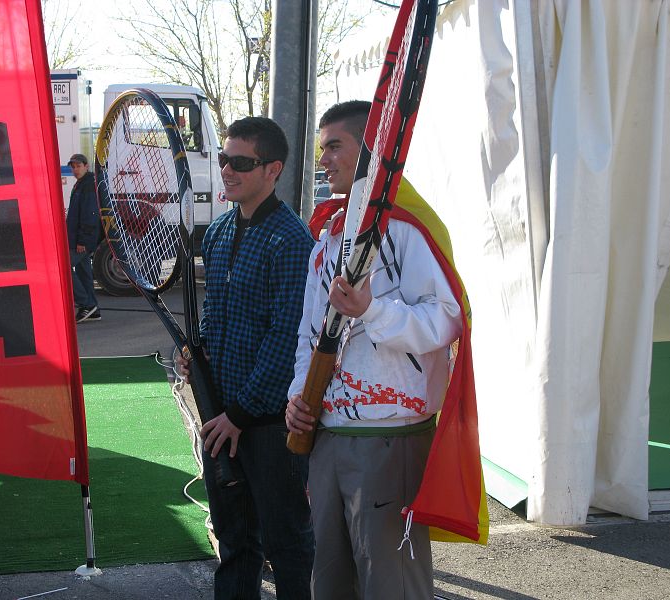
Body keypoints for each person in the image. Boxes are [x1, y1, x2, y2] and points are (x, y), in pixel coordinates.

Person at [285, 100, 463, 599]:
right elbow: (309, 332)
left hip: (390, 437)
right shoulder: (328, 237)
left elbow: (446, 319)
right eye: (321, 149)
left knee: (391, 583)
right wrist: (300, 397)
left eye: (334, 147)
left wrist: (371, 311)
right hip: (326, 436)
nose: (324, 160)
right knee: (331, 581)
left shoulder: (406, 230)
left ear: (371, 149)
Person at [177, 117, 315, 599]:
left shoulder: (294, 240)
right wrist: (197, 355)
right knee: (235, 543)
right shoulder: (216, 234)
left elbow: (287, 339)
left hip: (270, 426)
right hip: (223, 418)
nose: (227, 170)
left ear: (272, 169)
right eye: (224, 160)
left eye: (240, 162)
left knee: (288, 544)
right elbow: (217, 314)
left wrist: (239, 413)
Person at [66, 153, 101, 323]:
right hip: (78, 240)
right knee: (84, 272)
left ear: (86, 166)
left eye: (78, 166)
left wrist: (82, 241)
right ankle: (93, 310)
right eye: (73, 167)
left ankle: (85, 303)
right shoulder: (81, 184)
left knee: (64, 268)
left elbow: (89, 215)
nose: (75, 169)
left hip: (82, 241)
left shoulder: (88, 185)